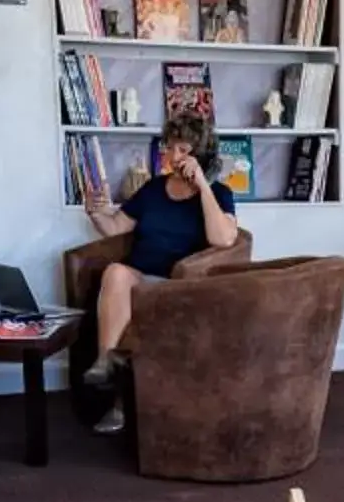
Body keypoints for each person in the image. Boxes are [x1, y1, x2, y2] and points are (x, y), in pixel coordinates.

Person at [79, 112, 241, 432]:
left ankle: (113, 389)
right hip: (139, 281)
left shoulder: (219, 194)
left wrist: (203, 187)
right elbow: (114, 227)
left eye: (183, 149)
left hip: (178, 287)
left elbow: (223, 238)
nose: (173, 155)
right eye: (170, 147)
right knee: (116, 272)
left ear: (200, 154)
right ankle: (108, 372)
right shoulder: (153, 189)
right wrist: (96, 212)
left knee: (119, 277)